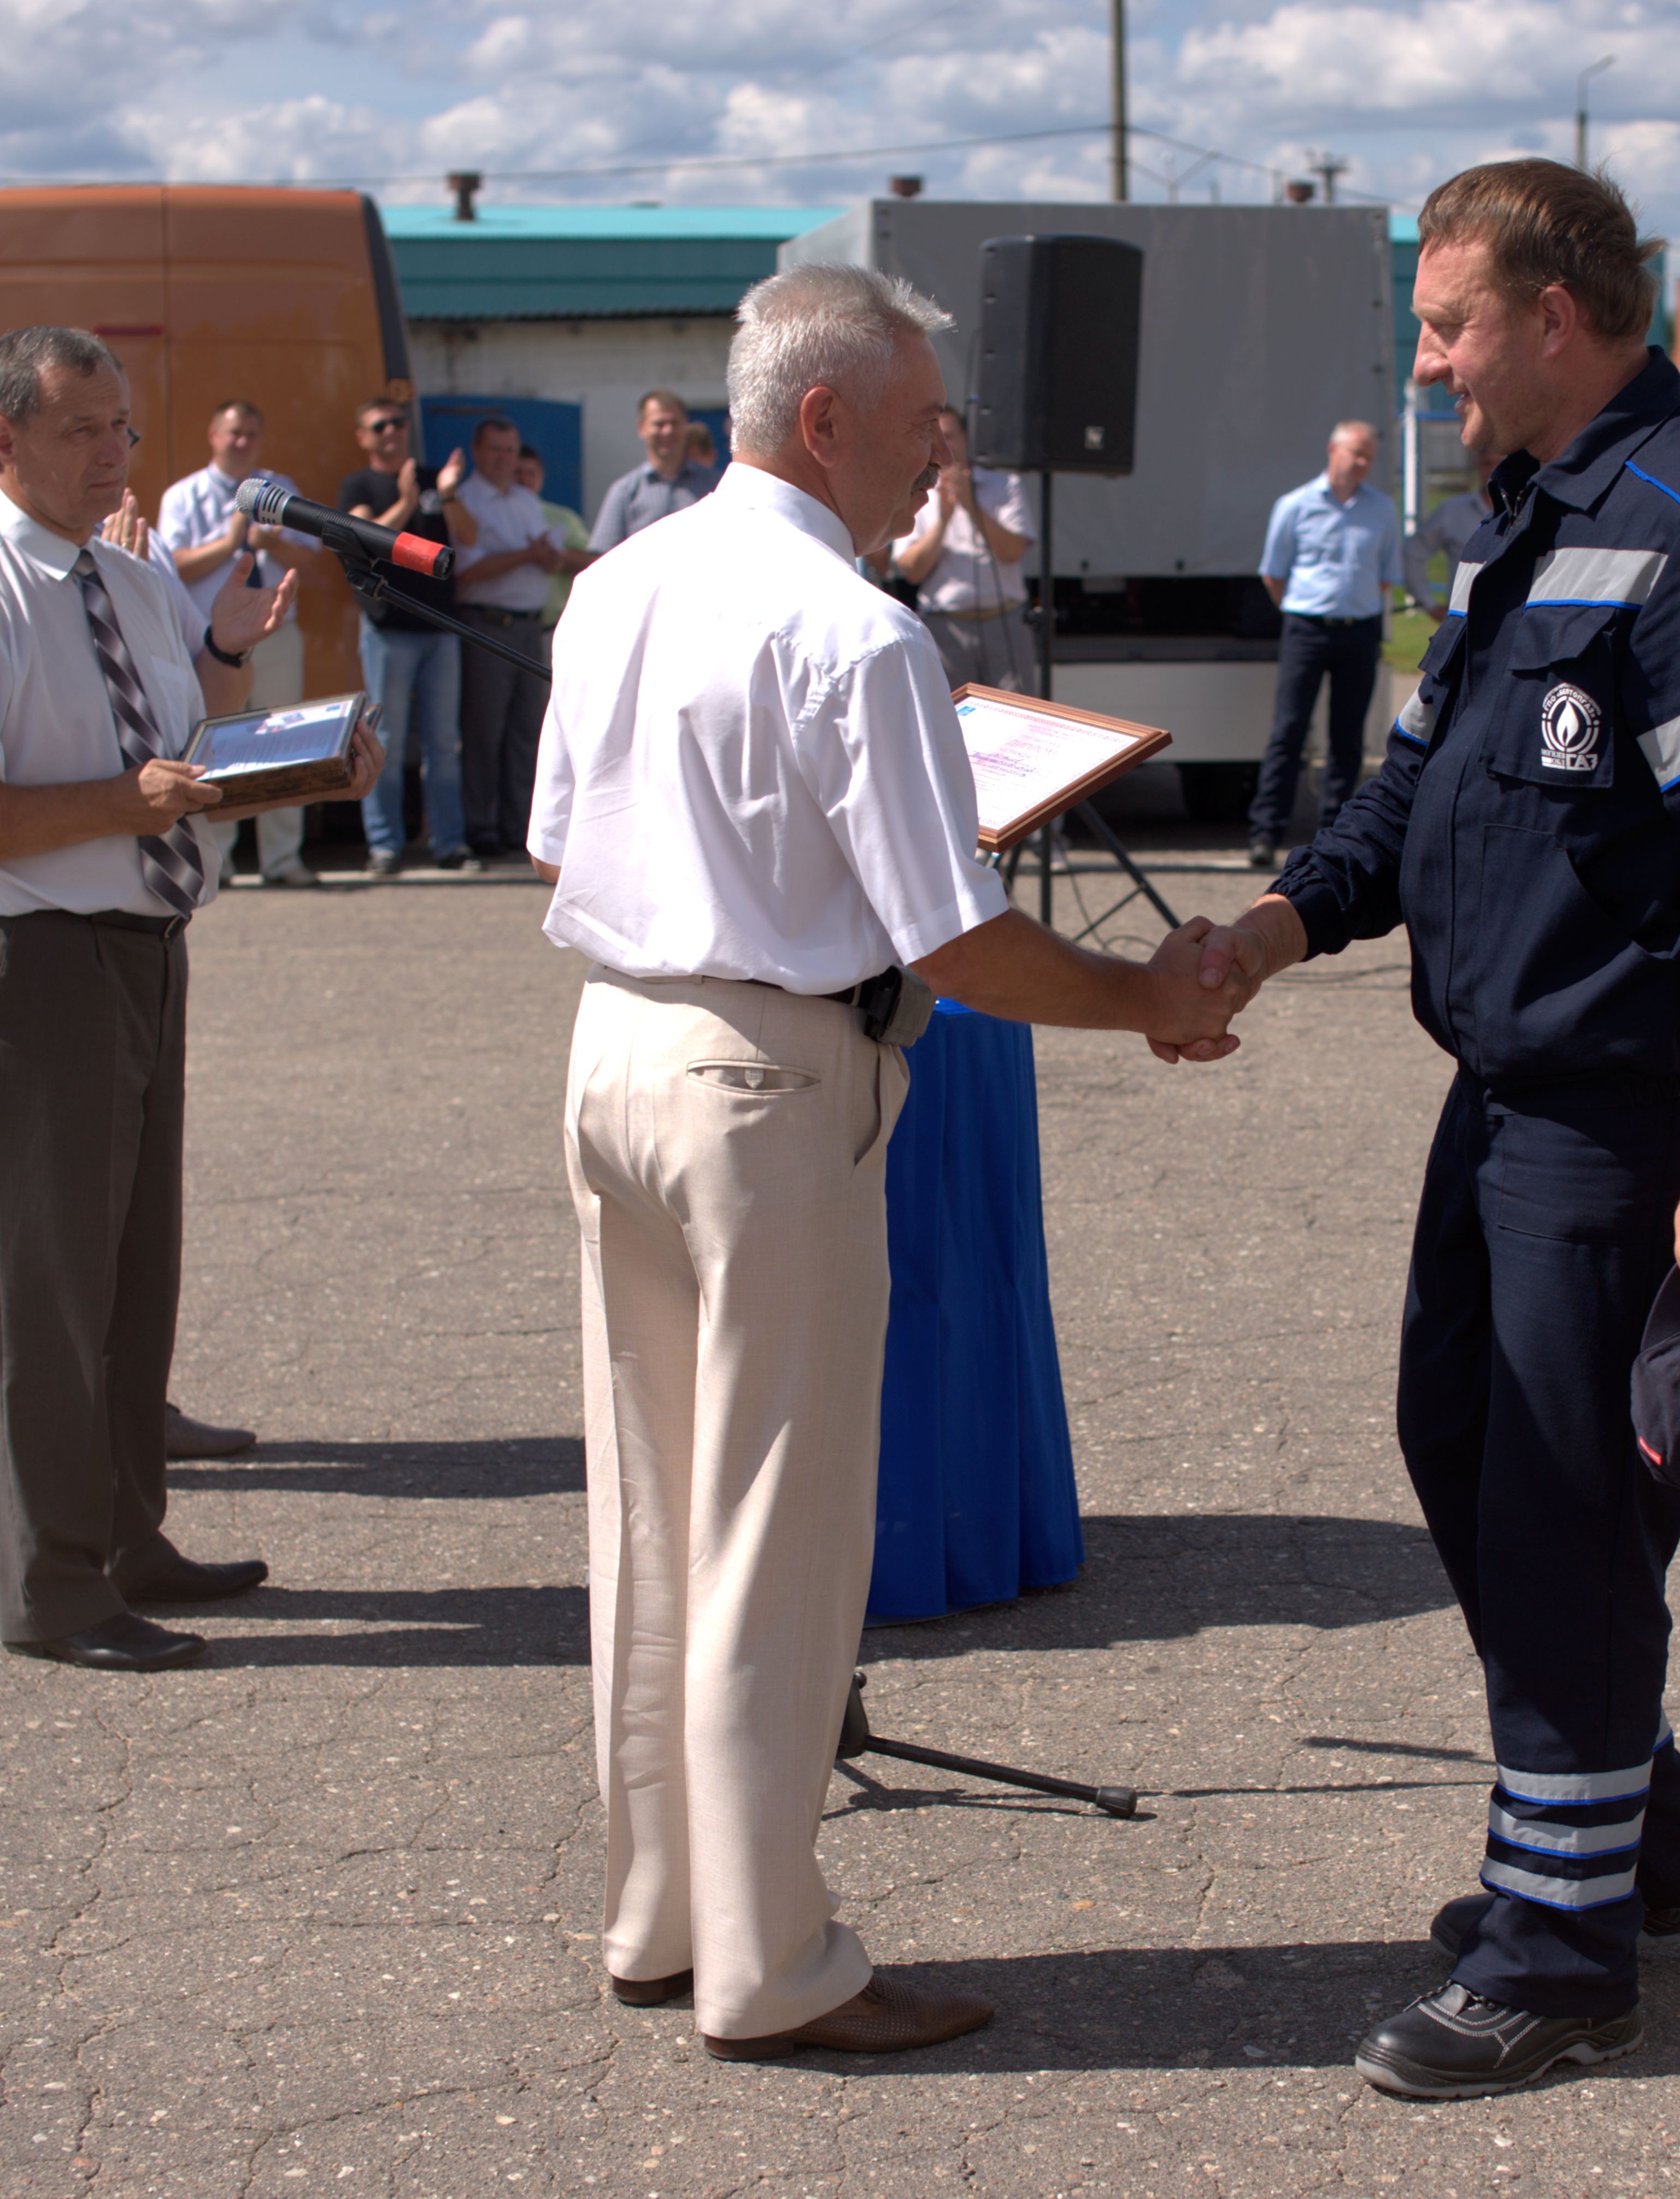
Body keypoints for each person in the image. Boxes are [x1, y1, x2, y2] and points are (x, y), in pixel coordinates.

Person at [1189, 158, 1680, 2100]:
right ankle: (1633, 1835)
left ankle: (1562, 1945)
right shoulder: (1521, 524)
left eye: (1446, 323)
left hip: (1622, 1121)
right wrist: (1269, 922)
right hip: (1494, 1107)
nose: (1423, 363)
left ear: (1557, 314)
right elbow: (1415, 794)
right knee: (1459, 1444)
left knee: (1562, 1506)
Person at [528, 260, 1248, 2064]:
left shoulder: (618, 580)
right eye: (922, 420)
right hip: (763, 1078)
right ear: (824, 416)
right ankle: (773, 1963)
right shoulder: (854, 631)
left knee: (645, 1518)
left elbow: (559, 837)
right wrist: (1144, 999)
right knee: (772, 1535)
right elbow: (959, 947)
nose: (942, 456)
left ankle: (659, 1914)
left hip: (614, 1041)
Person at [0, 325, 383, 1671]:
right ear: (3, 439)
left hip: (143, 938)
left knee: (129, 1269)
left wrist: (296, 755)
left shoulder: (126, 568)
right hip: (32, 961)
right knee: (43, 1284)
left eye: (121, 425)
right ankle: (54, 1585)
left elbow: (187, 741)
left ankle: (129, 1534)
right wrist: (128, 802)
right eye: (86, 428)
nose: (119, 451)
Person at [158, 399, 325, 885]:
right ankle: (218, 859)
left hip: (275, 633)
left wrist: (273, 544)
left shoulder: (281, 489)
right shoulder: (183, 495)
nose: (242, 443)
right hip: (211, 639)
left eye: (251, 434)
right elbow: (176, 566)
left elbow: (313, 563)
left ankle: (282, 859)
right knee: (215, 745)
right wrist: (231, 541)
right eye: (233, 433)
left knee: (286, 740)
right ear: (213, 436)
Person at [1249, 420, 1407, 866]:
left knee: (1348, 736)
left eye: (1369, 457)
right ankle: (1265, 832)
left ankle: (1334, 836)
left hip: (1359, 628)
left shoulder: (1381, 509)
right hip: (1306, 628)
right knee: (1289, 731)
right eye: (1356, 454)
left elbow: (1385, 575)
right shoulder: (1296, 506)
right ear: (1332, 451)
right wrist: (1303, 611)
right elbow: (1273, 574)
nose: (1362, 464)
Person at [337, 400, 477, 875]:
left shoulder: (436, 478)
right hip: (388, 629)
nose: (393, 432)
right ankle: (385, 846)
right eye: (380, 426)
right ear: (363, 436)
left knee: (444, 743)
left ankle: (450, 844)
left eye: (399, 424)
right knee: (386, 742)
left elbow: (470, 539)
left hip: (440, 627)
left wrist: (450, 495)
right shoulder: (359, 485)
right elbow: (365, 535)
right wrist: (405, 500)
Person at [451, 414, 560, 863]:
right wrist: (527, 557)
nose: (503, 459)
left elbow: (544, 558)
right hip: (488, 624)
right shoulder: (465, 499)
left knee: (525, 734)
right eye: (496, 450)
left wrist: (545, 557)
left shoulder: (524, 499)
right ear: (478, 452)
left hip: (529, 625)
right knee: (484, 732)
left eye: (510, 452)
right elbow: (468, 571)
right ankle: (483, 827)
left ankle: (520, 827)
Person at [890, 403, 1035, 693]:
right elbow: (910, 571)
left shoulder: (1004, 485)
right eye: (934, 435)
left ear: (966, 439)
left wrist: (971, 506)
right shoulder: (916, 491)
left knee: (1018, 720)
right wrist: (943, 521)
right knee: (952, 720)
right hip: (946, 626)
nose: (943, 444)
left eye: (950, 435)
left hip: (1003, 622)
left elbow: (1012, 551)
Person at [589, 389, 717, 555]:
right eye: (659, 424)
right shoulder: (625, 492)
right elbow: (602, 556)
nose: (668, 431)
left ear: (685, 424)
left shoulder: (714, 485)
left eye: (674, 423)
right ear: (641, 428)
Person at [518, 446, 598, 628]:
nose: (524, 479)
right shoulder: (497, 516)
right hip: (511, 624)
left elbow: (595, 561)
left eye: (531, 473)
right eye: (518, 472)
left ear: (542, 477)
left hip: (555, 626)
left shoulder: (563, 518)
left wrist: (559, 556)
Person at [1412, 479, 1491, 614]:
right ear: (1477, 464)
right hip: (1466, 619)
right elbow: (1413, 553)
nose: (1494, 470)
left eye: (1500, 463)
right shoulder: (1453, 510)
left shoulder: (1530, 508)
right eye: (1487, 463)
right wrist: (1430, 604)